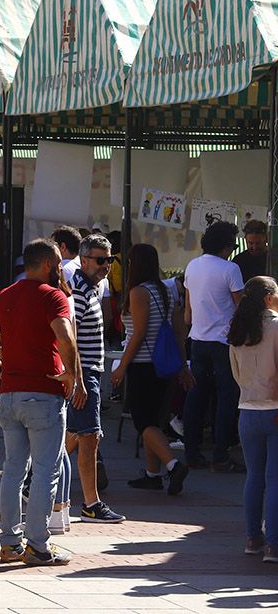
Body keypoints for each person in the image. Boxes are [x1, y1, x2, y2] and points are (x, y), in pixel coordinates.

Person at [0, 239, 81, 566]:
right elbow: (65, 335)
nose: (61, 269)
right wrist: (70, 373)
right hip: (43, 393)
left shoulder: (5, 296)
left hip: (10, 393)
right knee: (46, 470)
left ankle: (8, 543)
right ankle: (38, 545)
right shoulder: (53, 296)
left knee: (13, 468)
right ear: (46, 264)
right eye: (58, 264)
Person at [114, 243, 194, 494]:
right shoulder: (166, 291)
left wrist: (121, 367)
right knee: (153, 422)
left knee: (143, 422)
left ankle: (172, 465)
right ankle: (152, 474)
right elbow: (179, 332)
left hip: (143, 365)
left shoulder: (138, 292)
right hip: (165, 366)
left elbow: (138, 334)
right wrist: (182, 367)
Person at [63, 234, 125, 524]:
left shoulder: (91, 286)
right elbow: (69, 338)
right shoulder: (79, 289)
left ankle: (35, 478)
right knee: (89, 436)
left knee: (77, 433)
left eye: (110, 260)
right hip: (84, 371)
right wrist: (79, 379)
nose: (106, 266)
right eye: (101, 260)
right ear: (84, 259)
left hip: (88, 370)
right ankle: (92, 504)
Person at [183, 220, 246, 472]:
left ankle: (191, 451)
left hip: (198, 339)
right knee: (226, 399)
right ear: (228, 245)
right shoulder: (231, 269)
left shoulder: (192, 266)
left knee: (196, 398)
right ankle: (220, 454)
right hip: (223, 342)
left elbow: (187, 313)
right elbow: (241, 308)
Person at [226, 276, 278, 562]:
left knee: (254, 477)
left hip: (247, 408)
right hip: (274, 408)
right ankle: (273, 543)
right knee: (275, 479)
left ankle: (251, 538)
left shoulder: (238, 330)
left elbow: (235, 373)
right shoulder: (276, 327)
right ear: (269, 297)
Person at [233, 219, 269, 283]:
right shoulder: (239, 260)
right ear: (245, 240)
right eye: (251, 243)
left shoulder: (273, 259)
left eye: (258, 243)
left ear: (266, 239)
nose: (254, 247)